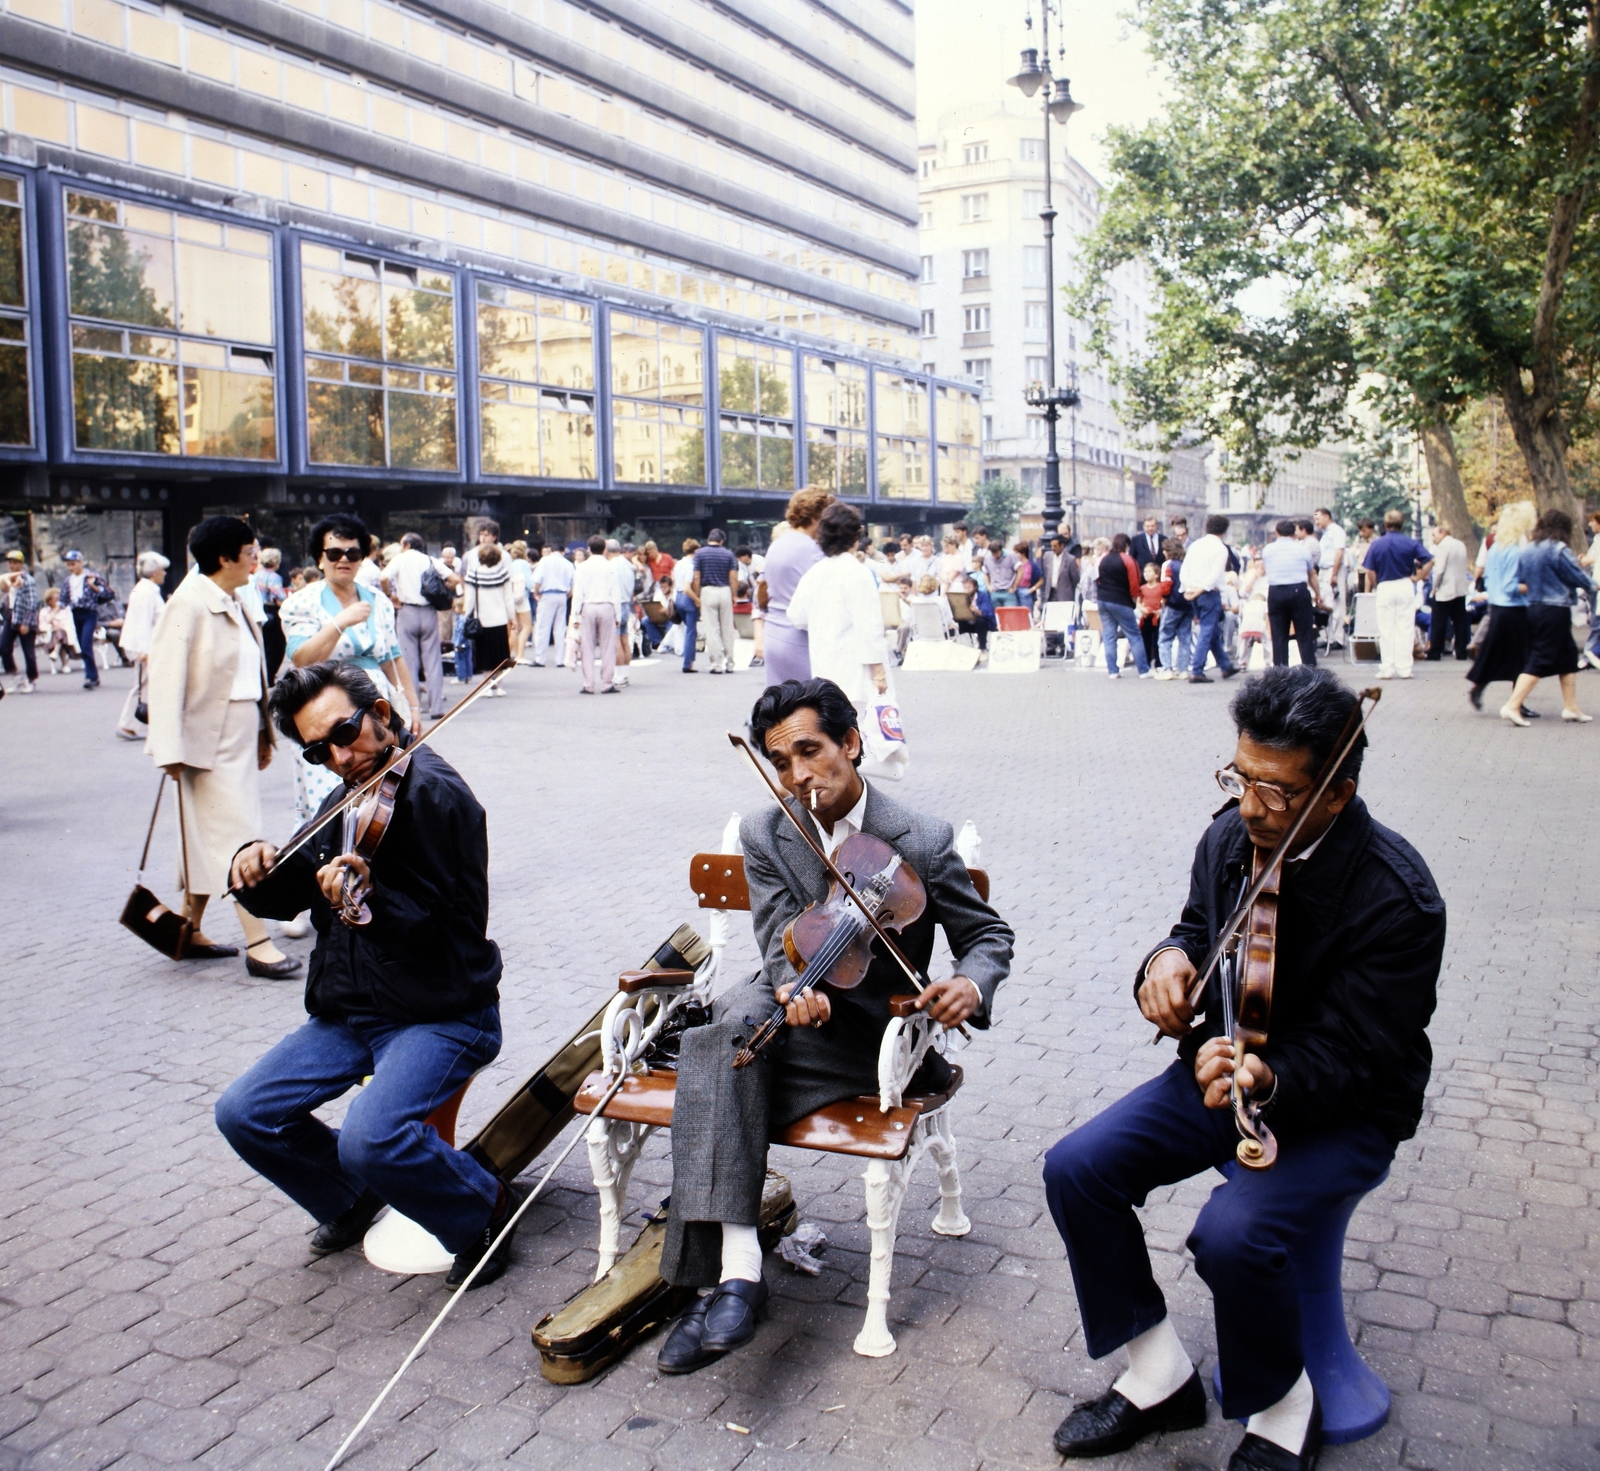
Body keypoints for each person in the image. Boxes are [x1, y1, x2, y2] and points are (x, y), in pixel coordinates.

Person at [1044, 666, 1444, 1471]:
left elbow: (1364, 1056)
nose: (1252, 806)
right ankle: (1159, 1375)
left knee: (1230, 1232)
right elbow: (1195, 927)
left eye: (1279, 791)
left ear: (1337, 792)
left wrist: (1270, 1077)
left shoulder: (1399, 899)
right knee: (1077, 1168)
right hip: (1220, 1069)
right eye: (1240, 777)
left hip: (1344, 1107)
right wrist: (1164, 963)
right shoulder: (1233, 835)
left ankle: (1282, 1406)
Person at [653, 678, 1013, 1373]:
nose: (797, 775)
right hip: (791, 1013)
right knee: (728, 1028)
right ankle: (739, 1272)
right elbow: (773, 939)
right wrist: (791, 983)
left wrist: (968, 981)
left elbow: (988, 935)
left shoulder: (924, 839)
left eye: (810, 752)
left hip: (872, 1037)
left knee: (712, 1063)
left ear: (851, 742)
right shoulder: (769, 829)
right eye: (781, 762)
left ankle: (709, 1286)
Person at [218, 661, 519, 1289]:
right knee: (243, 1112)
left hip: (441, 1012)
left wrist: (365, 901)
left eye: (344, 732)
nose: (336, 756)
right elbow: (287, 891)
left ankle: (482, 1210)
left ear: (381, 713)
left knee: (372, 1137)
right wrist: (249, 865)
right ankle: (348, 1199)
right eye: (316, 749)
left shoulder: (435, 794)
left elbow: (445, 932)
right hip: (354, 1011)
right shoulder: (348, 792)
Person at [144, 517, 299, 981]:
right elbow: (166, 678)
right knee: (237, 836)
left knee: (207, 831)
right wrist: (170, 751)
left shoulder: (232, 599)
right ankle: (259, 940)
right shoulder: (188, 603)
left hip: (235, 738)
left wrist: (261, 736)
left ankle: (188, 929)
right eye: (250, 551)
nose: (257, 557)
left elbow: (252, 680)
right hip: (203, 745)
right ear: (225, 558)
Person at [281, 515, 421, 830]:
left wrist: (411, 705)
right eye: (334, 553)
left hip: (372, 712)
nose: (343, 560)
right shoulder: (301, 602)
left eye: (353, 553)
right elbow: (302, 658)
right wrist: (339, 622)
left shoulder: (379, 601)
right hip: (326, 717)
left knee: (383, 797)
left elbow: (394, 658)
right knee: (330, 799)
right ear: (320, 558)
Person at [786, 503, 903, 767]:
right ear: (854, 535)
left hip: (825, 666)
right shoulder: (857, 572)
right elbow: (869, 627)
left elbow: (796, 616)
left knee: (834, 735)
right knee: (857, 736)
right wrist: (879, 673)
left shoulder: (815, 572)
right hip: (856, 669)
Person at [1498, 509, 1596, 726]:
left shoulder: (1529, 549)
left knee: (1568, 656)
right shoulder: (1559, 549)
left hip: (1534, 607)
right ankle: (1513, 705)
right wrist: (1593, 585)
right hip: (1555, 608)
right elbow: (1577, 576)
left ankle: (1571, 707)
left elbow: (1522, 578)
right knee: (1541, 658)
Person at [1466, 502, 1537, 713]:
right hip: (1514, 608)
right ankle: (1517, 703)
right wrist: (1532, 585)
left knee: (1495, 654)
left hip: (1497, 606)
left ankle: (1480, 686)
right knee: (1522, 658)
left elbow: (1491, 577)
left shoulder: (1496, 547)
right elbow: (1511, 586)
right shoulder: (1516, 551)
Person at [761, 489, 833, 685]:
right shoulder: (811, 551)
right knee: (808, 704)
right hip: (799, 638)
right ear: (815, 517)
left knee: (780, 703)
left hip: (774, 632)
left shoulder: (777, 545)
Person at [389, 533, 457, 722]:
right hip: (428, 612)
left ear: (407, 544)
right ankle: (436, 706)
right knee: (433, 661)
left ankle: (415, 706)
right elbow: (454, 579)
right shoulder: (430, 560)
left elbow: (383, 576)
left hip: (407, 611)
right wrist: (445, 590)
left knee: (409, 662)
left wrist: (391, 596)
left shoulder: (400, 559)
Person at [1363, 510, 1433, 679]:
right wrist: (1417, 577)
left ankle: (1387, 667)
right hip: (1405, 584)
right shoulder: (1409, 542)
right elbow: (1429, 560)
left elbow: (1370, 570)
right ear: (1402, 524)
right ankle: (1404, 668)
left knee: (1386, 629)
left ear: (1385, 525)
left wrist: (1376, 584)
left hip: (1385, 585)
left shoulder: (1377, 544)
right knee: (1405, 628)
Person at [114, 551, 170, 738]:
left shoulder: (146, 590)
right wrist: (144, 650)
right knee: (142, 685)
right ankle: (128, 723)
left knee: (145, 685)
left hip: (146, 645)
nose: (165, 573)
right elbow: (142, 623)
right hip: (144, 646)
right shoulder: (146, 591)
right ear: (154, 571)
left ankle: (135, 723)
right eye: (162, 570)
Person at [1179, 516, 1239, 684]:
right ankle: (1196, 669)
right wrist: (1200, 589)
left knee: (1211, 631)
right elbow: (1214, 575)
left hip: (1193, 591)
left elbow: (1185, 569)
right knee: (1207, 630)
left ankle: (1225, 665)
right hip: (1208, 592)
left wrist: (1187, 589)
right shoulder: (1220, 549)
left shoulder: (1195, 545)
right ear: (1224, 531)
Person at [1260, 520, 1319, 668]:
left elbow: (1264, 569)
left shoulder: (1268, 549)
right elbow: (1311, 574)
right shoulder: (1302, 549)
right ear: (1294, 533)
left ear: (1277, 533)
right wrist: (1318, 594)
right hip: (1298, 590)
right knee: (1304, 634)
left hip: (1276, 591)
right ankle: (1309, 670)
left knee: (1279, 635)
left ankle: (1280, 672)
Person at [461, 543, 518, 692]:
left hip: (482, 620)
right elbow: (508, 598)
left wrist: (466, 615)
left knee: (484, 655)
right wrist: (512, 617)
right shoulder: (503, 573)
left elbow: (470, 599)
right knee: (500, 655)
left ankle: (487, 686)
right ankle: (499, 687)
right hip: (500, 619)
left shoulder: (474, 573)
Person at [573, 532, 621, 694]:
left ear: (589, 549)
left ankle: (589, 684)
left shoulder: (582, 567)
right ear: (604, 549)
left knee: (587, 646)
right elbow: (616, 592)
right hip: (606, 606)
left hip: (587, 607)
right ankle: (607, 682)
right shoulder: (611, 566)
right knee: (608, 646)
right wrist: (618, 614)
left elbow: (577, 593)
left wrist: (575, 615)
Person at [1097, 534, 1150, 679]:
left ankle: (1113, 671)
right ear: (1127, 546)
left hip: (1102, 600)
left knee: (1108, 636)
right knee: (1134, 635)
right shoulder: (1128, 560)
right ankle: (1143, 670)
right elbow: (1134, 583)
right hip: (1121, 601)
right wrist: (1135, 599)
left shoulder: (1104, 558)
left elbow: (1098, 578)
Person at [63, 549, 115, 690]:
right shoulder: (69, 580)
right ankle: (93, 675)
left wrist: (94, 586)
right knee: (81, 644)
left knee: (86, 644)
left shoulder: (91, 577)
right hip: (76, 613)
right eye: (69, 565)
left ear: (80, 563)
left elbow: (109, 593)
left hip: (89, 613)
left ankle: (90, 676)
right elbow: (63, 598)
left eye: (73, 564)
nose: (71, 568)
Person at [692, 529, 740, 675]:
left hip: (707, 591)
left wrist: (697, 595)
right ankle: (730, 663)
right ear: (721, 541)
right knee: (727, 628)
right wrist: (734, 595)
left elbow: (696, 577)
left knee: (711, 629)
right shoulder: (728, 554)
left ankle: (716, 664)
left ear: (708, 539)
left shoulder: (699, 554)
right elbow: (733, 577)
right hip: (725, 590)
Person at [1425, 524, 1472, 663]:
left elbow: (1439, 570)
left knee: (1438, 622)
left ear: (1443, 533)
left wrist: (1434, 587)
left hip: (1445, 589)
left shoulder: (1442, 547)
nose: (1433, 539)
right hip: (1460, 588)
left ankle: (1435, 652)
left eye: (1434, 535)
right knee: (1460, 622)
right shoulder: (1460, 544)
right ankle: (1461, 651)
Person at [529, 541, 574, 667]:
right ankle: (560, 659)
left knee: (543, 627)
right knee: (560, 628)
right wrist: (567, 595)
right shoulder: (568, 564)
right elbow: (573, 586)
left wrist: (536, 592)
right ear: (563, 551)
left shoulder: (545, 561)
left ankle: (540, 658)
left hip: (547, 594)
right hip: (562, 595)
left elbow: (538, 579)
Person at [1, 547, 39, 693]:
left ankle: (31, 679)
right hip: (11, 615)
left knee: (28, 651)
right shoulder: (7, 579)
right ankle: (15, 675)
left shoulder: (28, 581)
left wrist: (26, 622)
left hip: (24, 617)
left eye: (15, 562)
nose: (12, 565)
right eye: (10, 562)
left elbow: (31, 603)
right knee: (4, 646)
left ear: (21, 564)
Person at [1154, 539, 1192, 682]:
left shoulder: (1167, 565)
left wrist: (1163, 599)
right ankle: (1183, 669)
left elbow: (1166, 585)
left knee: (1165, 636)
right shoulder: (1185, 565)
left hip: (1173, 604)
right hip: (1187, 604)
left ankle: (1166, 668)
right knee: (1185, 638)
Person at [1311, 508, 1347, 649]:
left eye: (1318, 519)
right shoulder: (1325, 534)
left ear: (1327, 517)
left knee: (1337, 604)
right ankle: (1328, 637)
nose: (1317, 523)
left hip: (1333, 569)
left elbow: (1339, 553)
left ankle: (1338, 638)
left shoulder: (1337, 531)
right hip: (1325, 570)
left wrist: (1334, 574)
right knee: (1326, 603)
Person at [252, 547, 288, 681]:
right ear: (276, 562)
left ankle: (262, 675)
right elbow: (280, 596)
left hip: (258, 611)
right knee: (276, 645)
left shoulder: (255, 576)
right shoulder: (274, 577)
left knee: (264, 645)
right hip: (272, 612)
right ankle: (270, 675)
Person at [506, 540, 537, 665]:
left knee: (514, 627)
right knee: (527, 627)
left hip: (511, 597)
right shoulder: (524, 564)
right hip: (522, 598)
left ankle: (510, 654)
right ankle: (520, 655)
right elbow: (529, 583)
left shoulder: (511, 564)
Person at [37, 587, 73, 674]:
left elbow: (70, 622)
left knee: (60, 633)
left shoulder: (66, 609)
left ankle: (55, 652)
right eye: (56, 599)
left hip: (66, 634)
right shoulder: (44, 611)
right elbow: (42, 626)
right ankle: (65, 664)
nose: (59, 601)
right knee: (58, 635)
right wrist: (52, 626)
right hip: (50, 637)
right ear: (49, 601)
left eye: (60, 598)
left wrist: (60, 625)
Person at [1137, 563, 1164, 670]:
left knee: (1158, 639)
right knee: (1146, 640)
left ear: (1156, 575)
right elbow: (1139, 602)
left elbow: (1164, 601)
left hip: (1158, 616)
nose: (1146, 574)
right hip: (1146, 616)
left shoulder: (1161, 587)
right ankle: (1147, 661)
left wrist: (1162, 610)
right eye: (1145, 572)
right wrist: (1141, 608)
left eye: (1149, 571)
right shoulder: (1142, 588)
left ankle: (1159, 662)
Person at [983, 538, 1021, 607]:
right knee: (997, 615)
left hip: (1008, 591)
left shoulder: (1011, 555)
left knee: (1010, 614)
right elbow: (986, 573)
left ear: (1001, 550)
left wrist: (1014, 586)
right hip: (995, 591)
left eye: (997, 553)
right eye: (993, 554)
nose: (995, 556)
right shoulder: (987, 558)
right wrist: (988, 587)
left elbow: (1020, 571)